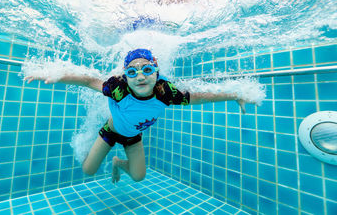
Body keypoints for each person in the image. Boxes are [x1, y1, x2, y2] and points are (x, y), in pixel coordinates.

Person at [24, 48, 250, 184]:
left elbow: (199, 96)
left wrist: (234, 95)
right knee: (88, 170)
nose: (140, 76)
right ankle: (111, 155)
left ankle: (117, 162)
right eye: (132, 72)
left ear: (156, 71)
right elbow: (87, 79)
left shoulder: (165, 93)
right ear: (126, 76)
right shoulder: (118, 89)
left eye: (147, 70)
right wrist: (54, 75)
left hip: (134, 137)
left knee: (139, 176)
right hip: (111, 131)